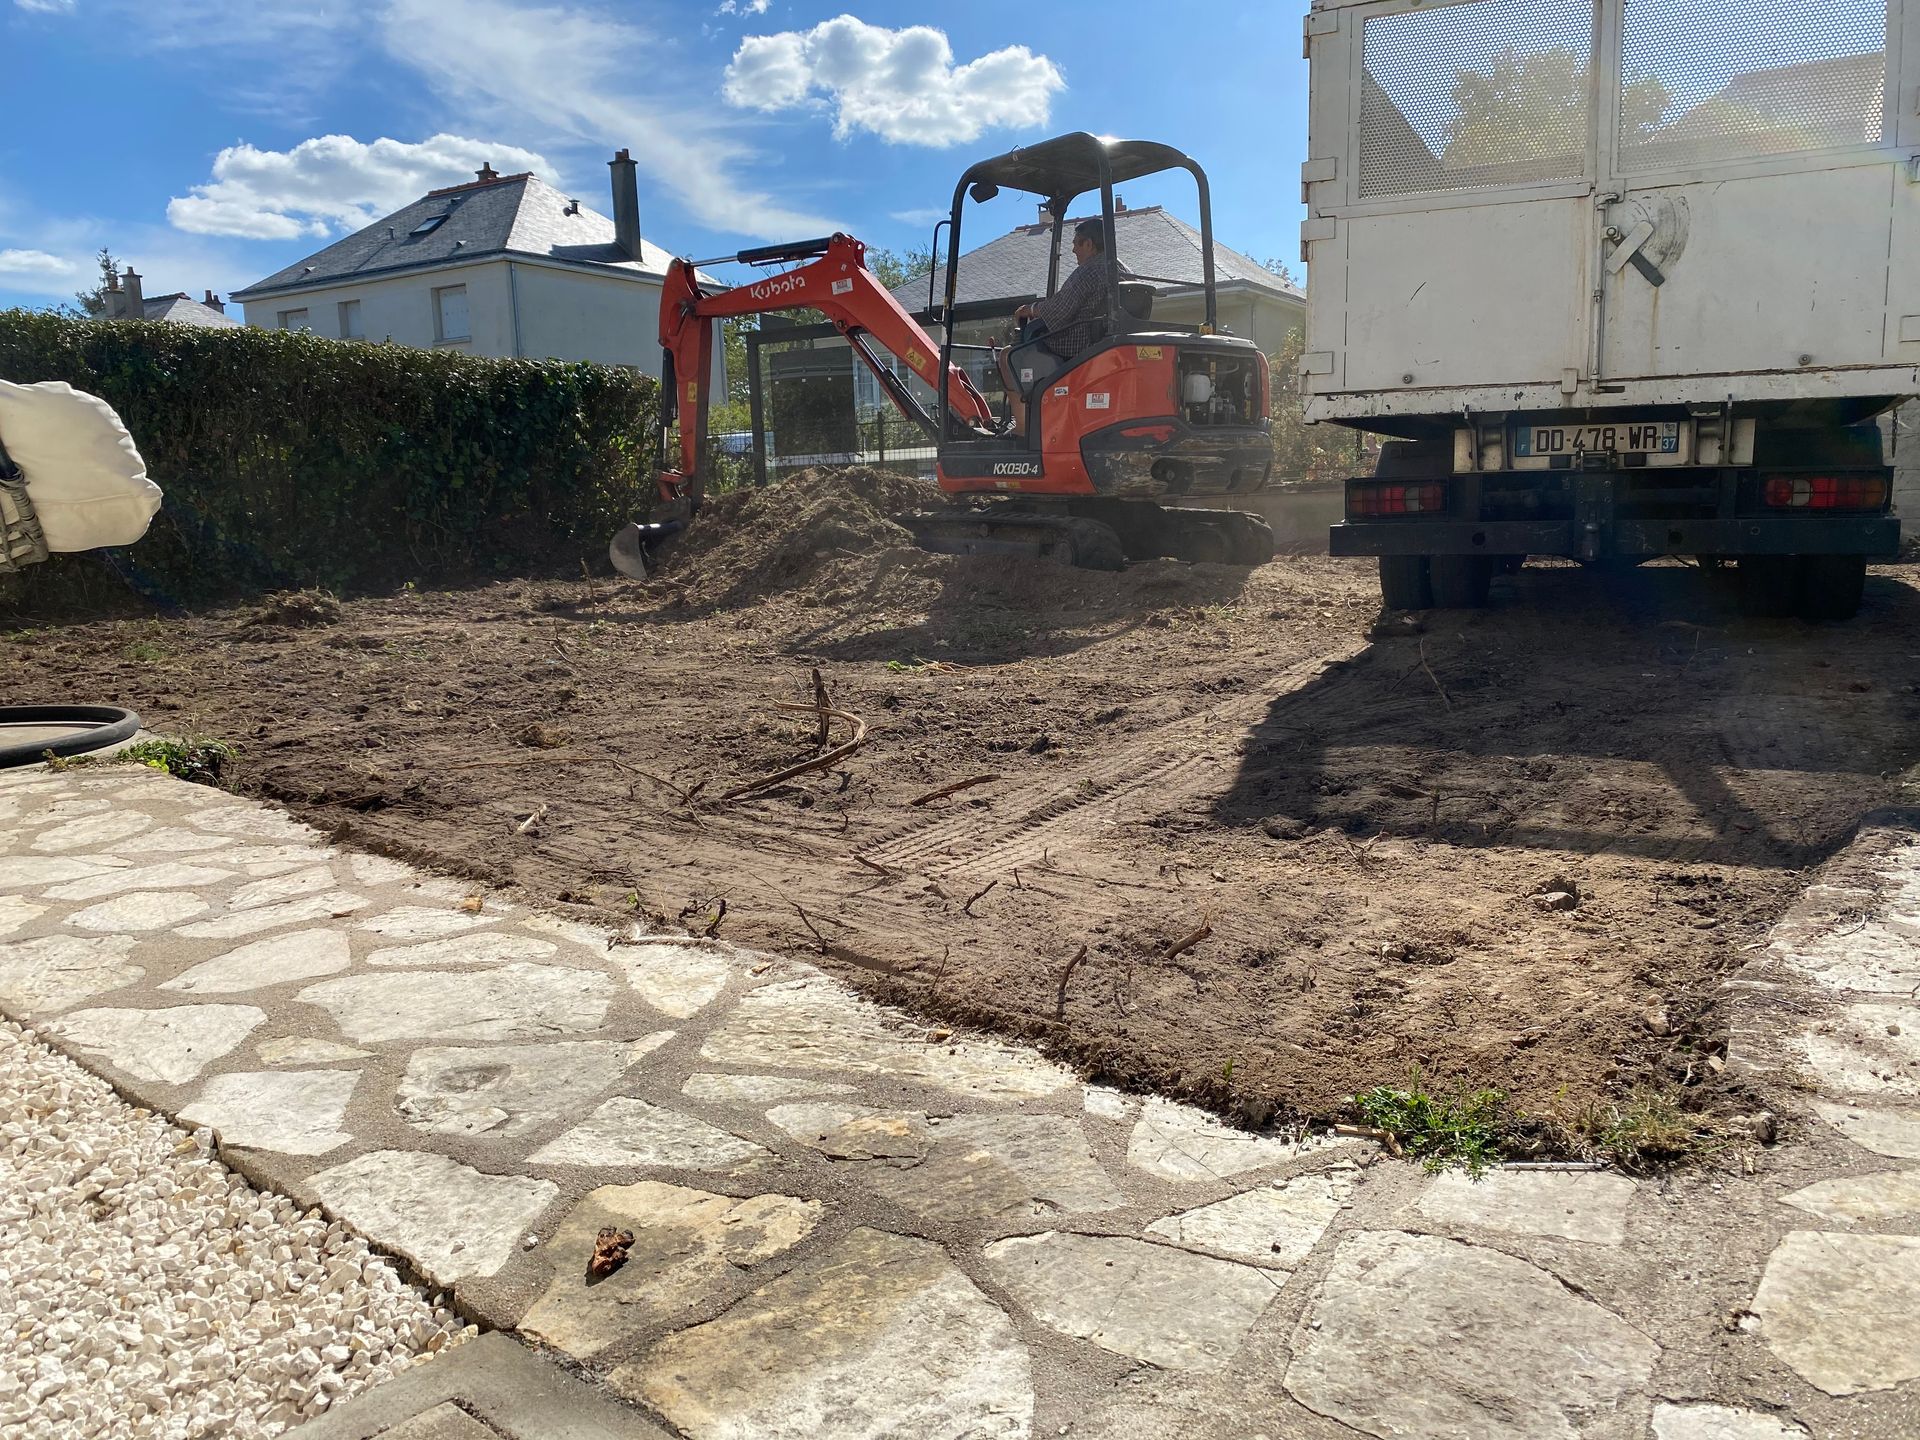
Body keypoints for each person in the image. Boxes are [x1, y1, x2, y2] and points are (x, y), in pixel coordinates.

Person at [995, 217, 1123, 436]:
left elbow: (1060, 308)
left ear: (1089, 244)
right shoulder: (1121, 268)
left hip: (1076, 345)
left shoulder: (1088, 271)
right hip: (1104, 342)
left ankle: (1024, 428)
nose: (1073, 250)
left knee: (1009, 356)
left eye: (1076, 243)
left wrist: (1030, 309)